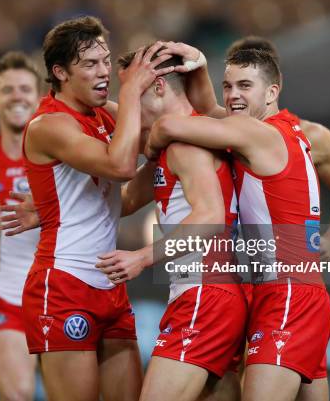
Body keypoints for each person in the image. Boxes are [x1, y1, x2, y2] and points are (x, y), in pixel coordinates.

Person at [145, 48, 330, 401]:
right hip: (296, 291)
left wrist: (154, 145)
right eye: (227, 85)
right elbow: (212, 112)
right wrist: (201, 65)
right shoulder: (283, 129)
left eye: (245, 86)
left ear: (272, 92)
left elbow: (169, 124)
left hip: (286, 292)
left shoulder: (255, 133)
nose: (233, 96)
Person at [21, 16, 174, 401]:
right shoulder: (49, 125)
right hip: (63, 285)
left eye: (105, 60)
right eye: (90, 64)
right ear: (60, 72)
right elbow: (121, 166)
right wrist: (131, 93)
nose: (104, 71)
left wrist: (160, 156)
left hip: (111, 286)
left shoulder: (103, 114)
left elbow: (121, 201)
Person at [96, 49, 246, 401]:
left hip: (205, 293)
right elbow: (125, 201)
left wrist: (142, 257)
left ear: (159, 87)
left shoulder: (186, 144)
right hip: (210, 295)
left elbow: (209, 217)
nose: (128, 107)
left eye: (134, 94)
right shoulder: (169, 148)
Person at [226, 36, 330, 263]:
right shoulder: (215, 133)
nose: (237, 91)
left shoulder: (313, 137)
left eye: (246, 83)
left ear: (275, 82)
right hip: (227, 272)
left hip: (287, 274)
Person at [0, 51, 41, 401]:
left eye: (24, 89)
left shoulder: (61, 156)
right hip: (2, 295)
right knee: (18, 394)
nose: (17, 96)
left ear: (38, 98)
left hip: (57, 294)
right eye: (7, 90)